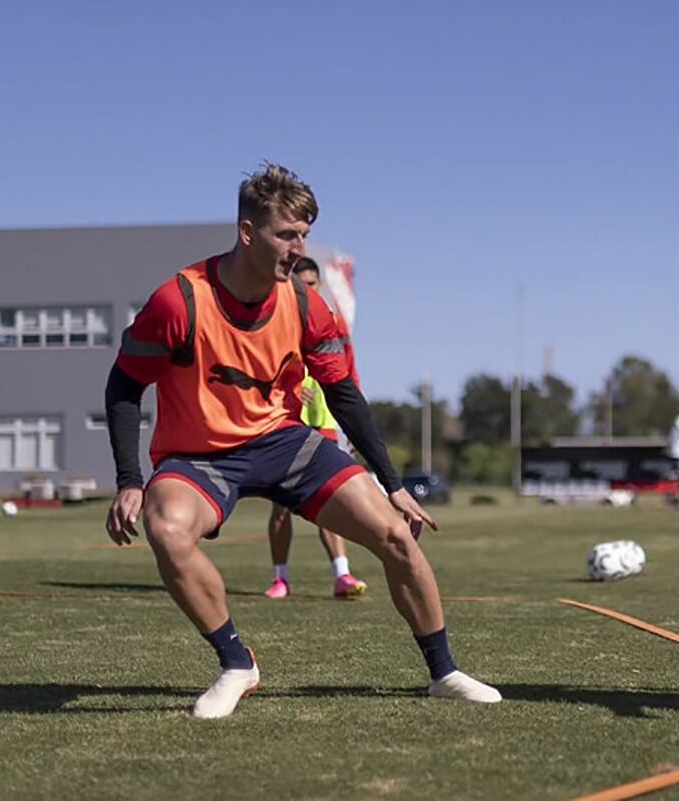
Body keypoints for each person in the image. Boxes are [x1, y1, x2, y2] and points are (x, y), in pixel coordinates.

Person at [104, 163, 501, 718]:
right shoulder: (179, 301)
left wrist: (394, 485)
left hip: (283, 442)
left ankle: (445, 672)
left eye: (305, 234)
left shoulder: (307, 304)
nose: (298, 247)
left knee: (394, 533)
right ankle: (237, 664)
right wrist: (129, 482)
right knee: (166, 528)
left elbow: (344, 395)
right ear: (248, 233)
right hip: (199, 455)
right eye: (287, 234)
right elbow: (124, 386)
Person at [262, 257, 369, 601]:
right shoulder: (276, 322)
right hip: (286, 422)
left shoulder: (333, 324)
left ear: (319, 286)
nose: (306, 290)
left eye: (312, 284)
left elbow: (348, 377)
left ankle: (342, 575)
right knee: (280, 507)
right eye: (300, 284)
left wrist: (354, 420)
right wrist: (288, 388)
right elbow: (260, 371)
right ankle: (281, 579)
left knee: (328, 500)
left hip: (326, 426)